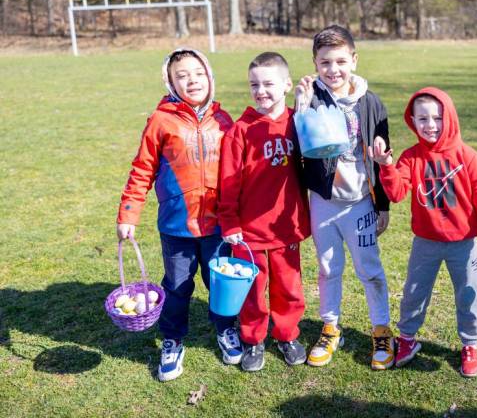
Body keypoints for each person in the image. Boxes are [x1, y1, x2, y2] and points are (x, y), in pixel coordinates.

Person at [371, 87, 477, 377]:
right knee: (414, 293)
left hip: (464, 244)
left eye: (437, 117)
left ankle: (470, 344)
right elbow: (397, 193)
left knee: (468, 295)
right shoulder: (411, 158)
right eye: (422, 119)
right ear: (412, 120)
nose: (431, 125)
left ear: (449, 117)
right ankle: (408, 340)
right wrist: (386, 166)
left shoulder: (468, 157)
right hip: (425, 242)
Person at [116, 48, 235, 382]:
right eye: (182, 75)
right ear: (170, 82)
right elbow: (142, 170)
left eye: (197, 73)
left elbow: (241, 172)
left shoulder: (225, 121)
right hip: (176, 227)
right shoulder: (160, 120)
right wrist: (128, 213)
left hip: (218, 226)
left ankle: (226, 330)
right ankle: (172, 339)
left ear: (210, 77)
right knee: (178, 286)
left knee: (220, 285)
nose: (192, 80)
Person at [296, 25, 394, 370]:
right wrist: (301, 108)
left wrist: (382, 204)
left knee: (370, 270)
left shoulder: (372, 103)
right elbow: (299, 150)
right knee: (327, 268)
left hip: (360, 202)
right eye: (325, 62)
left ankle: (381, 328)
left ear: (353, 59)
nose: (333, 69)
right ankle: (330, 327)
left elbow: (383, 159)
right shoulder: (311, 98)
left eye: (340, 61)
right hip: (324, 201)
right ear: (315, 63)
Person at [218, 52, 310, 372]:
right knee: (253, 289)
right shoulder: (240, 130)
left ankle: (287, 334)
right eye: (254, 84)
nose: (261, 91)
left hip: (288, 224)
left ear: (286, 84)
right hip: (250, 230)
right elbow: (227, 181)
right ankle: (253, 338)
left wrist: (306, 107)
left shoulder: (298, 122)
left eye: (269, 84)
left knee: (289, 285)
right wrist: (229, 221)